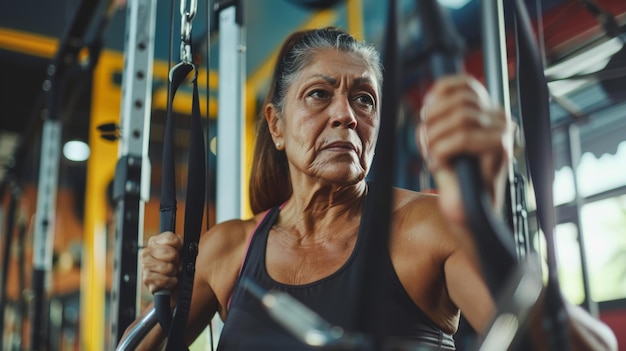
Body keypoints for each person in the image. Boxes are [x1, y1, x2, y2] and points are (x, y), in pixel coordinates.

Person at [126, 27, 617, 350]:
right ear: (276, 125)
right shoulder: (229, 249)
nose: (346, 114)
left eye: (364, 99)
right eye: (319, 94)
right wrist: (163, 293)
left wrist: (483, 230)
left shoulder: (427, 228)